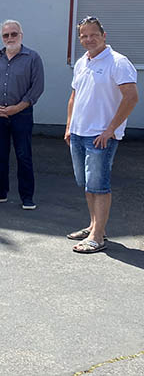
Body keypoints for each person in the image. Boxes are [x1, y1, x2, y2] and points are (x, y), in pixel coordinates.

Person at [65, 16, 138, 254]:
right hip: (78, 133)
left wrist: (110, 130)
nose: (89, 39)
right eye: (84, 36)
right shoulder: (81, 62)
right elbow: (74, 97)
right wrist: (68, 126)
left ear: (103, 35)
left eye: (93, 34)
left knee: (99, 185)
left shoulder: (118, 62)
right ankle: (94, 226)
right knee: (87, 183)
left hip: (100, 136)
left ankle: (98, 236)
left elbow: (131, 97)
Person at [0, 20, 45, 209]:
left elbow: (37, 87)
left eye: (13, 34)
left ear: (21, 35)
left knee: (23, 155)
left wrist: (17, 108)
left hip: (21, 115)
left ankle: (27, 197)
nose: (10, 38)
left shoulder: (33, 58)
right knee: (0, 155)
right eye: (6, 35)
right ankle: (0, 192)